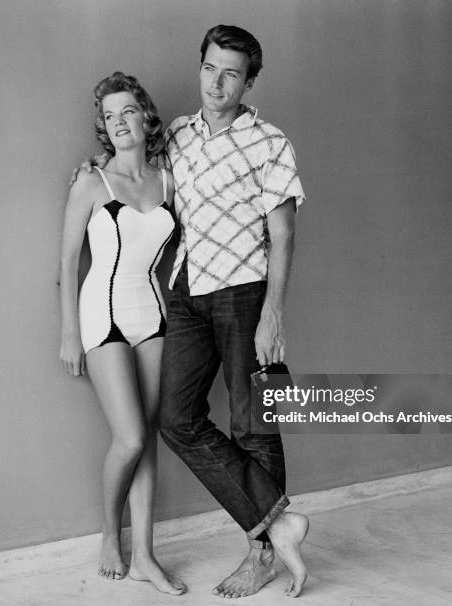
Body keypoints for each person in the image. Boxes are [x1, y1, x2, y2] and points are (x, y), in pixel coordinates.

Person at [76, 24, 310, 599]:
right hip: (184, 295)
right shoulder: (178, 134)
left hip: (246, 293)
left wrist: (273, 314)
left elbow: (283, 236)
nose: (217, 82)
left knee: (254, 424)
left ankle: (261, 555)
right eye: (210, 68)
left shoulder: (271, 143)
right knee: (177, 421)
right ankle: (281, 524)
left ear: (248, 81)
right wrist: (88, 174)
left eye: (231, 73)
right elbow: (135, 177)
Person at [59, 72, 186, 596]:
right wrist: (69, 331)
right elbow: (68, 259)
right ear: (104, 128)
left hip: (153, 314)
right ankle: (111, 536)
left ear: (145, 115)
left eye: (127, 111)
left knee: (149, 441)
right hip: (102, 314)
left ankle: (146, 557)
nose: (119, 122)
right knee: (129, 437)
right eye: (109, 116)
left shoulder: (169, 181)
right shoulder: (91, 182)